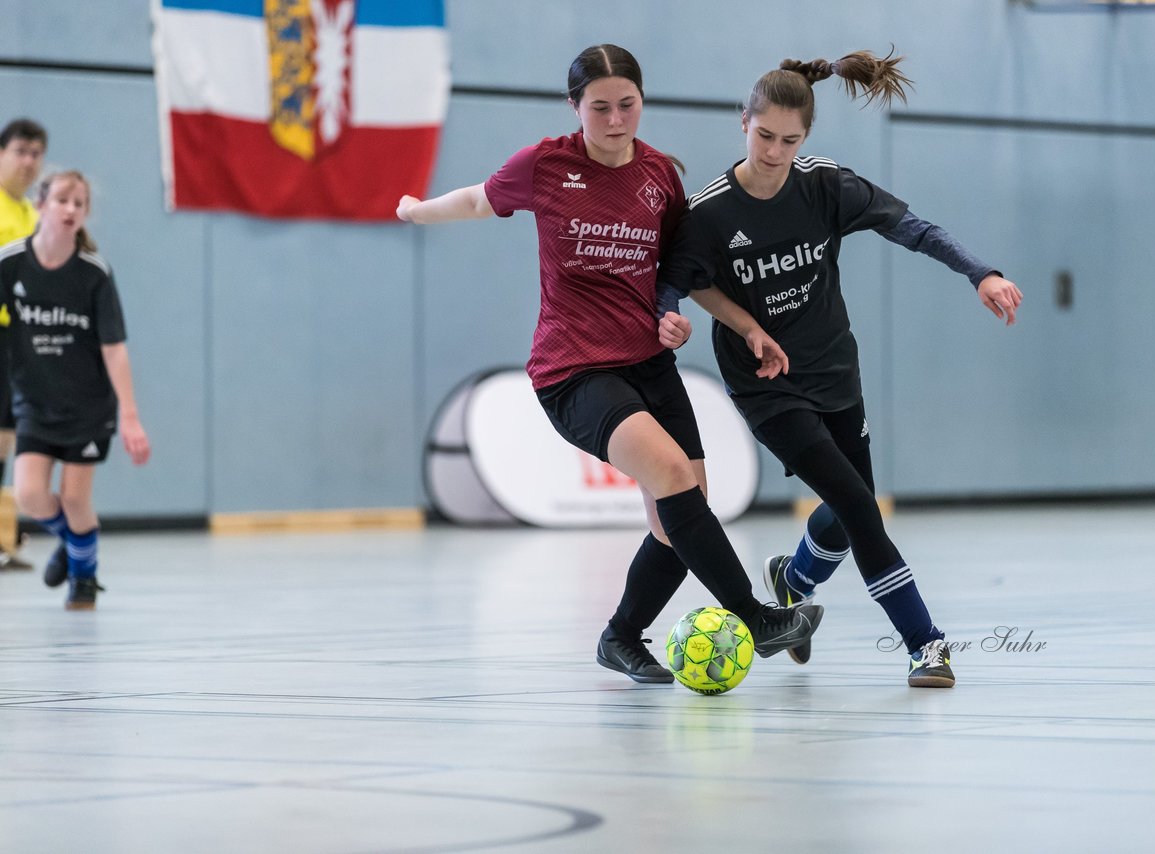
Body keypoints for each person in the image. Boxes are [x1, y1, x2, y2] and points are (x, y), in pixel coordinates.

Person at [396, 44, 823, 683]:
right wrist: (415, 210)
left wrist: (719, 320)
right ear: (576, 107)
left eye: (628, 105)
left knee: (682, 515)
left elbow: (680, 273)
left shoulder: (658, 177)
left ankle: (620, 637)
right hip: (575, 370)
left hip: (648, 364)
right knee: (675, 476)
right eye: (600, 108)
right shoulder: (545, 165)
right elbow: (479, 199)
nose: (617, 119)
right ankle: (755, 618)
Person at [656, 51, 1023, 688]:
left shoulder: (824, 184)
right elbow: (675, 281)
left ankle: (791, 581)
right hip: (766, 383)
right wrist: (671, 318)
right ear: (743, 122)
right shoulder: (711, 210)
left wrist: (980, 271)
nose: (774, 151)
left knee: (844, 512)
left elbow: (912, 228)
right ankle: (925, 644)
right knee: (858, 503)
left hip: (834, 369)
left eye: (790, 140)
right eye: (764, 135)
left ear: (807, 138)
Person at [0, 170, 151, 609]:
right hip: (33, 399)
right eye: (62, 200)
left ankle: (84, 578)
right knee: (29, 494)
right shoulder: (11, 263)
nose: (70, 210)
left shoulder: (94, 274)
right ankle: (73, 541)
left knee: (74, 497)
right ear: (41, 205)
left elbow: (114, 349)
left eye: (79, 204)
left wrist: (130, 415)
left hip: (87, 405)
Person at [0, 118, 48, 571]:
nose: (29, 162)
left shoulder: (33, 216)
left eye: (36, 154)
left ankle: (3, 539)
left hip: (18, 338)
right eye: (20, 151)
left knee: (7, 438)